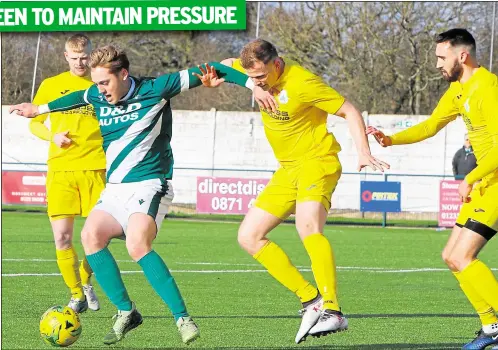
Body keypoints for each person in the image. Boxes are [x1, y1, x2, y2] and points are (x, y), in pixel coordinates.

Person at [10, 45, 272, 345]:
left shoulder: (156, 88)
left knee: (137, 244)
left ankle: (182, 317)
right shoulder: (96, 94)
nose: (100, 90)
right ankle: (126, 311)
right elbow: (72, 99)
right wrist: (38, 110)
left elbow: (215, 67)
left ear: (123, 74)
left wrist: (254, 87)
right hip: (115, 188)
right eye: (96, 84)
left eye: (105, 82)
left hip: (150, 183)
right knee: (90, 237)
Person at [215, 39, 390, 343]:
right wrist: (250, 85)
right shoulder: (253, 77)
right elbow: (222, 66)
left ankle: (333, 310)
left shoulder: (304, 82)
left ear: (277, 63)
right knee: (248, 237)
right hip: (287, 170)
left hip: (316, 161)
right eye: (253, 77)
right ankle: (311, 299)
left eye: (262, 77)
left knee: (306, 225)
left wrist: (362, 151)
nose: (259, 83)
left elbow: (350, 110)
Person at [366, 28, 498, 350]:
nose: (437, 64)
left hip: (494, 183)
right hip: (484, 182)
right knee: (451, 257)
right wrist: (391, 139)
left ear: (461, 55)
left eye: (442, 57)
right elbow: (430, 125)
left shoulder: (489, 88)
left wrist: (471, 177)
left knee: (464, 255)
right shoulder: (457, 90)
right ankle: (490, 327)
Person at [29, 34, 103, 313]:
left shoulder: (102, 83)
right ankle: (76, 294)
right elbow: (34, 123)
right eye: (75, 58)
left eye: (85, 57)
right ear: (66, 57)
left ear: (91, 55)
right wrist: (52, 136)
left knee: (100, 237)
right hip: (60, 170)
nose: (80, 63)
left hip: (97, 168)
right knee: (62, 237)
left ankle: (85, 279)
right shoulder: (52, 85)